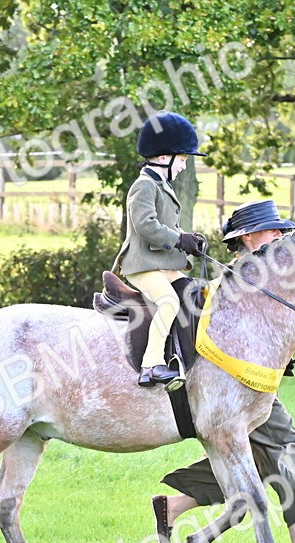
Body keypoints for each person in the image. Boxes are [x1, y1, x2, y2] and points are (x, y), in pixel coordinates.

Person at [151, 199, 295, 543]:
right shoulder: (239, 279)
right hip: (236, 387)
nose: (280, 235)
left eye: (281, 230)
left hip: (254, 387)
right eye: (272, 230)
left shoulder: (271, 279)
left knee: (251, 460)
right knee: (289, 452)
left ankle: (174, 508)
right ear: (247, 238)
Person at [112, 111, 207, 389]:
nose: (183, 167)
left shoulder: (160, 184)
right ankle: (151, 365)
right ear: (165, 158)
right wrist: (179, 239)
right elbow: (146, 226)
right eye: (183, 160)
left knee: (200, 295)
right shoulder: (143, 186)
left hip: (163, 265)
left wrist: (190, 241)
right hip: (142, 265)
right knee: (168, 301)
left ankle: (185, 356)